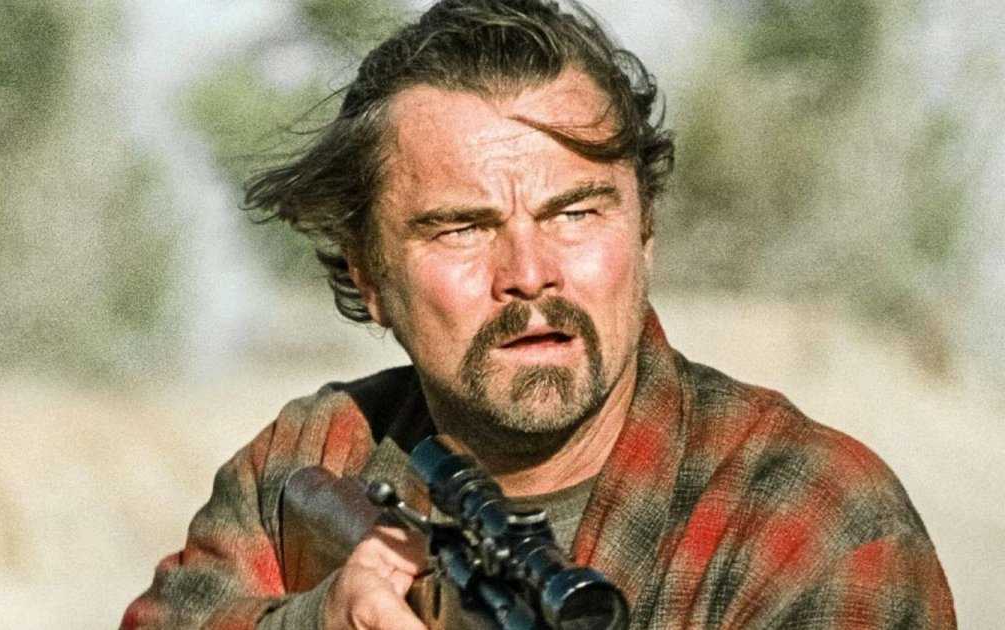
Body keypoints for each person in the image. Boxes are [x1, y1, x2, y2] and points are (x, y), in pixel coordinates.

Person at [121, 1, 955, 628]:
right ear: (368, 277)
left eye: (576, 214)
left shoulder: (815, 522)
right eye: (460, 228)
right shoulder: (316, 454)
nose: (529, 275)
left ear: (645, 233)